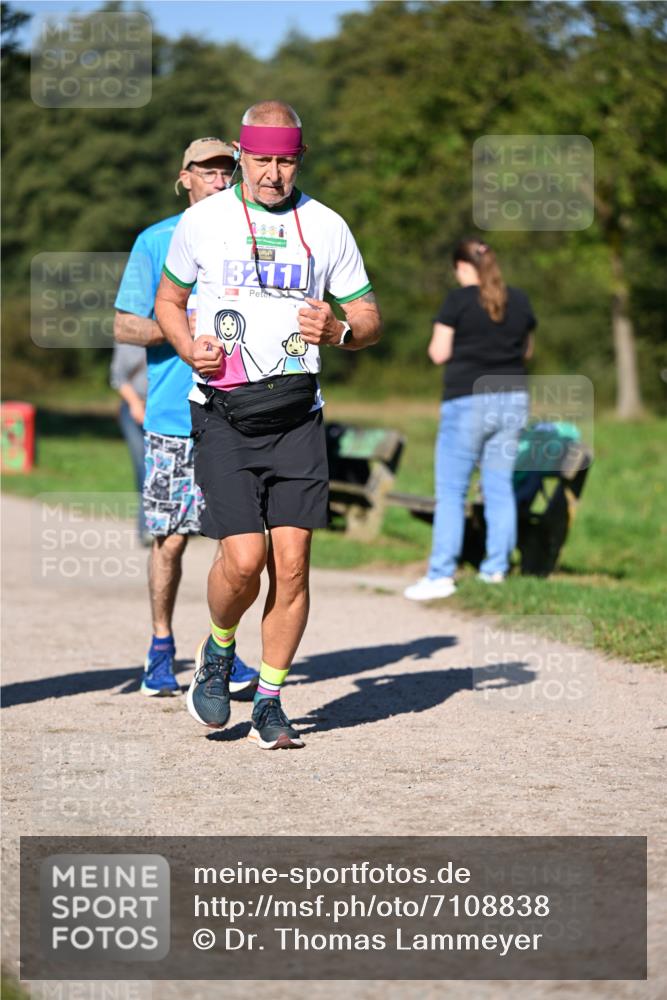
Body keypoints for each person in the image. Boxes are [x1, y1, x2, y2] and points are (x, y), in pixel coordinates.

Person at [155, 101, 382, 749]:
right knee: (244, 558)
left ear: (299, 160)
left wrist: (340, 331)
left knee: (294, 564)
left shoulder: (327, 227)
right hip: (222, 413)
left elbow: (367, 317)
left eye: (285, 161)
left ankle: (272, 700)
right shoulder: (203, 221)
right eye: (260, 160)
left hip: (296, 415)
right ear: (240, 153)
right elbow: (169, 301)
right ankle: (220, 646)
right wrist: (185, 345)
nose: (272, 174)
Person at [114, 137, 259, 698]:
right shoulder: (156, 241)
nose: (220, 180)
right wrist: (183, 325)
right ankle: (159, 647)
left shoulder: (250, 236)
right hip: (174, 414)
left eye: (228, 171)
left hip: (237, 412)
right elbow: (125, 326)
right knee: (171, 541)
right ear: (185, 177)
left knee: (237, 544)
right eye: (208, 172)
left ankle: (220, 653)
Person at [404, 238, 536, 601]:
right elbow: (527, 350)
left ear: (462, 267)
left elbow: (438, 352)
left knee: (451, 491)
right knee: (499, 487)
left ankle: (441, 575)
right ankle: (496, 570)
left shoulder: (458, 301)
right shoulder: (519, 299)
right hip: (513, 400)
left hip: (468, 400)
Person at [109, 341, 149, 544]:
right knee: (143, 466)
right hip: (133, 409)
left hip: (159, 408)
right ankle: (146, 527)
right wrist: (135, 404)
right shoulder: (128, 338)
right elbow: (118, 377)